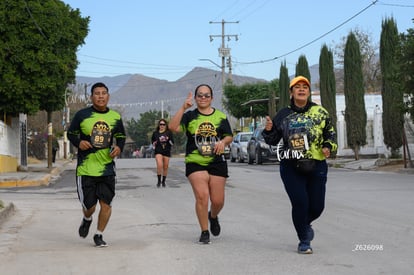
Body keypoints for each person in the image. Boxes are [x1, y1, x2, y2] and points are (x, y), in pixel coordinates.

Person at [262, 76, 337, 254]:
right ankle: (304, 240)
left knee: (317, 206)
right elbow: (273, 140)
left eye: (305, 87)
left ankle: (305, 222)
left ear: (309, 92)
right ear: (291, 93)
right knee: (300, 203)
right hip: (290, 165)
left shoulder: (320, 112)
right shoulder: (283, 114)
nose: (301, 90)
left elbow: (330, 133)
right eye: (297, 87)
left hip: (316, 163)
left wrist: (328, 147)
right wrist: (268, 130)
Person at [169, 84, 233, 244]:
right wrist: (183, 107)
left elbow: (229, 136)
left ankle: (213, 216)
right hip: (195, 161)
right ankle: (204, 231)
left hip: (217, 161)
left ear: (212, 98)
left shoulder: (220, 116)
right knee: (202, 196)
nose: (203, 98)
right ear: (195, 98)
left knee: (218, 201)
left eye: (206, 95)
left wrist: (223, 143)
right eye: (200, 95)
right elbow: (173, 127)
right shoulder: (190, 116)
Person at [67, 82, 126, 247]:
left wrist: (119, 147)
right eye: (97, 93)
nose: (101, 96)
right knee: (90, 207)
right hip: (86, 169)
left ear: (108, 96)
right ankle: (87, 218)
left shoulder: (115, 117)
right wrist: (79, 142)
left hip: (107, 168)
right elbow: (71, 133)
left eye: (104, 93)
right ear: (91, 96)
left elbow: (121, 136)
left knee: (106, 204)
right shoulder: (82, 115)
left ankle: (99, 234)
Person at [151, 118, 174, 187]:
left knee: (165, 167)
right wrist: (154, 143)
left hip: (166, 151)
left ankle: (163, 181)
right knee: (159, 165)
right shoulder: (155, 133)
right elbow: (152, 141)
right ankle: (158, 181)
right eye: (160, 124)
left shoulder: (169, 132)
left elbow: (172, 142)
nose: (162, 126)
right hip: (158, 151)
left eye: (163, 124)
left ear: (166, 125)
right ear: (159, 125)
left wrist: (169, 140)